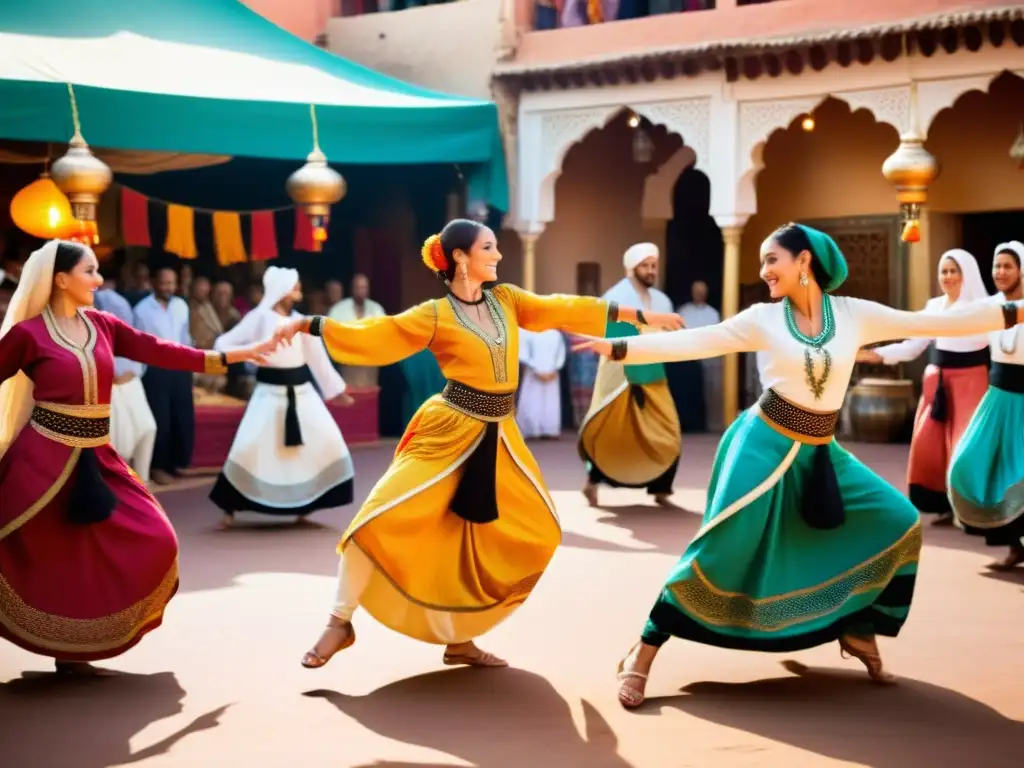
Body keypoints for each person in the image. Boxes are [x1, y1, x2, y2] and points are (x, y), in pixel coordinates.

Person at [573, 223, 1024, 706]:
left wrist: (1014, 310)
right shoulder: (763, 318)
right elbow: (699, 341)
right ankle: (642, 654)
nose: (764, 270)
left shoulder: (854, 315)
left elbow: (933, 322)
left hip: (821, 452)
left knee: (898, 521)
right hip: (760, 446)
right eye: (763, 261)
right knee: (722, 548)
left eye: (772, 260)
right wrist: (621, 348)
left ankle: (855, 626)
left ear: (803, 261)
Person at [268, 219, 681, 670]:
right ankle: (339, 620)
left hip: (501, 434)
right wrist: (309, 324)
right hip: (448, 430)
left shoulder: (507, 299)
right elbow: (376, 335)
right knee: (377, 517)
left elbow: (563, 307)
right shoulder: (434, 314)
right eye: (489, 247)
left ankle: (461, 639)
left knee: (518, 533)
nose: (498, 255)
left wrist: (640, 317)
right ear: (461, 257)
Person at [0, 240, 271, 674]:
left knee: (154, 537)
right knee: (41, 550)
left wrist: (233, 356)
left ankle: (77, 644)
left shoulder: (104, 325)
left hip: (98, 456)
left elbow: (161, 350)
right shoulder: (27, 335)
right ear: (61, 279)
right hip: (42, 460)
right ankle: (68, 653)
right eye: (89, 271)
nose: (99, 279)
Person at [209, 267, 355, 530]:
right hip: (267, 395)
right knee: (248, 449)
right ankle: (229, 509)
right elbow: (223, 344)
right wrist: (249, 353)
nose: (298, 290)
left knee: (326, 443)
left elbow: (317, 361)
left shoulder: (303, 322)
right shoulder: (259, 318)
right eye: (294, 286)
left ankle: (304, 505)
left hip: (302, 395)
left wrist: (337, 391)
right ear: (282, 290)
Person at [856, 250, 990, 524]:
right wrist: (876, 354)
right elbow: (914, 345)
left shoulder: (983, 310)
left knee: (964, 446)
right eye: (944, 271)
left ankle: (970, 509)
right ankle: (943, 504)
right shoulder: (934, 307)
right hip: (938, 383)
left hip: (971, 382)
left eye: (955, 271)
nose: (948, 277)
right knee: (931, 444)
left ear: (967, 275)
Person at [579, 243, 683, 508]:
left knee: (666, 427)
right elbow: (609, 333)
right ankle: (592, 482)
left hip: (653, 372)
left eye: (653, 266)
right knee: (611, 426)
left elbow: (671, 335)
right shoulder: (615, 296)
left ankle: (661, 487)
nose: (650, 271)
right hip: (620, 373)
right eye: (645, 266)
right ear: (631, 268)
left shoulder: (662, 300)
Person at [948, 241, 1024, 571]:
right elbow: (952, 328)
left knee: (1019, 474)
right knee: (968, 466)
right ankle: (1011, 544)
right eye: (996, 266)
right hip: (997, 400)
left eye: (1008, 265)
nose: (1000, 272)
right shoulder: (989, 307)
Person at [93, 257, 158, 484]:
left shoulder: (116, 305)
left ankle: (143, 482)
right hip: (106, 386)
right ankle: (118, 485)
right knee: (117, 441)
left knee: (148, 429)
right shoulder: (90, 307)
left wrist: (131, 370)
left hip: (130, 382)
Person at [133, 267, 195, 485]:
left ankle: (176, 464)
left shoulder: (181, 306)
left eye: (171, 283)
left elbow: (185, 337)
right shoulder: (142, 310)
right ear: (154, 282)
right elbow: (138, 344)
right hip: (155, 370)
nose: (168, 287)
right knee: (161, 419)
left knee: (181, 417)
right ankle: (157, 466)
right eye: (164, 283)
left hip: (179, 367)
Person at [678, 280, 724, 431]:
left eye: (701, 292)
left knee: (710, 393)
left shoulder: (713, 313)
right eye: (696, 291)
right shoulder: (684, 311)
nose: (699, 294)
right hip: (688, 360)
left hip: (709, 359)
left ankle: (708, 426)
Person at [517, 328, 567, 440]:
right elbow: (522, 353)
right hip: (533, 372)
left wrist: (555, 369)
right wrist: (537, 370)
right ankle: (531, 430)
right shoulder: (527, 332)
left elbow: (561, 353)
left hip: (551, 373)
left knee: (550, 402)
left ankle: (550, 430)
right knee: (533, 401)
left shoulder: (556, 334)